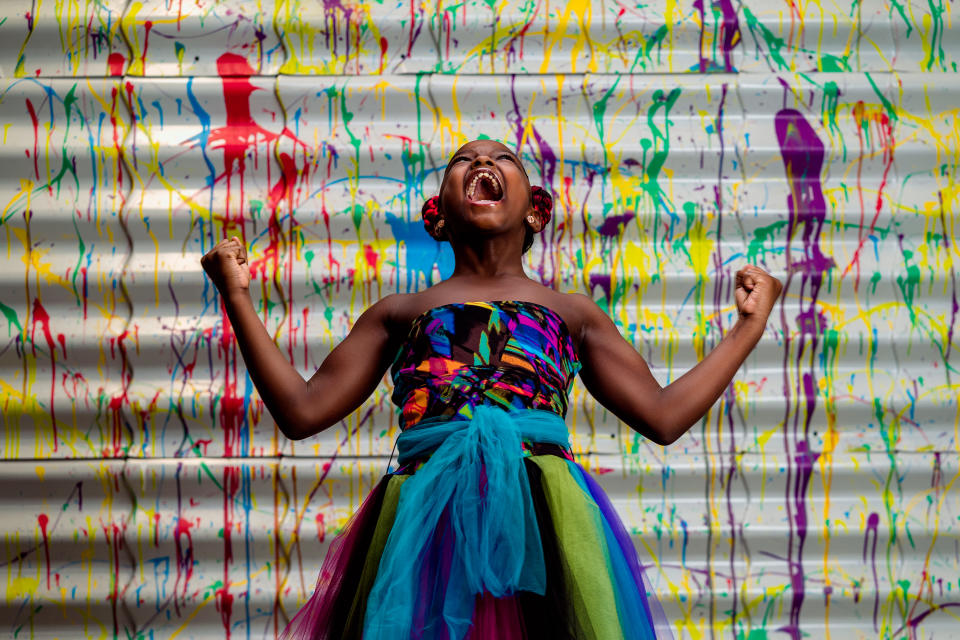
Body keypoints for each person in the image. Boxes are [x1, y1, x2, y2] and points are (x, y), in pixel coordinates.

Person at [200, 139, 783, 639]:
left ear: (535, 211)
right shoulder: (399, 311)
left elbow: (663, 415)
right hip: (424, 526)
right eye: (463, 161)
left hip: (542, 519)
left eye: (502, 158)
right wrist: (238, 298)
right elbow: (302, 411)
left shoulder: (571, 312)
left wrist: (748, 327)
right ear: (437, 215)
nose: (481, 161)